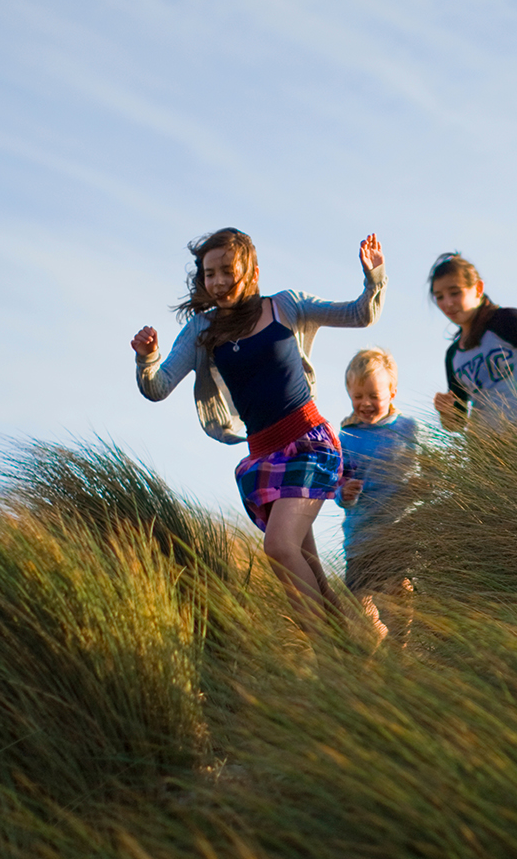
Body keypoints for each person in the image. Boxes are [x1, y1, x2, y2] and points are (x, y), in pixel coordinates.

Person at [131, 227, 384, 615]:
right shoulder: (202, 330)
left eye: (226, 271)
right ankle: (354, 653)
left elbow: (359, 314)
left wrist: (373, 279)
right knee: (311, 573)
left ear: (251, 272)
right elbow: (158, 387)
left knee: (279, 547)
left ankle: (324, 658)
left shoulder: (285, 306)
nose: (216, 282)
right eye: (208, 274)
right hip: (265, 455)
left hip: (308, 443)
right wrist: (147, 357)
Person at [427, 252, 517, 434]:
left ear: (478, 288)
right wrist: (445, 411)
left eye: (455, 293)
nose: (447, 303)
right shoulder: (453, 355)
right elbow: (456, 424)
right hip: (481, 454)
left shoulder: (508, 321)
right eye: (439, 297)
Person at [335, 348, 427, 609]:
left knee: (398, 591)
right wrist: (345, 493)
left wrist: (424, 486)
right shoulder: (347, 438)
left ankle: (401, 646)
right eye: (358, 396)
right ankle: (375, 644)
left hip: (399, 528)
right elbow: (338, 484)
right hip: (360, 535)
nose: (365, 403)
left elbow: (429, 469)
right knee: (358, 604)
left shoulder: (408, 428)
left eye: (374, 396)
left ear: (392, 393)